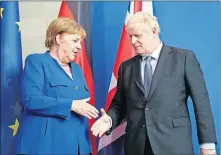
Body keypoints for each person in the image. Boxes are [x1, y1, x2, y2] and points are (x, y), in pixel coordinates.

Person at [91, 12, 217, 155]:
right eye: (130, 36)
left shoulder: (184, 58)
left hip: (173, 146)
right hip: (137, 147)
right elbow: (119, 105)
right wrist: (108, 120)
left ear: (154, 32)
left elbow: (202, 104)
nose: (132, 41)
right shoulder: (126, 67)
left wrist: (207, 144)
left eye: (137, 35)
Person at [15, 17, 98, 155]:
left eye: (80, 42)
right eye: (75, 41)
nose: (79, 46)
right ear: (59, 39)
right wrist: (71, 105)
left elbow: (82, 106)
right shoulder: (36, 61)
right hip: (46, 147)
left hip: (78, 146)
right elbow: (31, 99)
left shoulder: (77, 69)